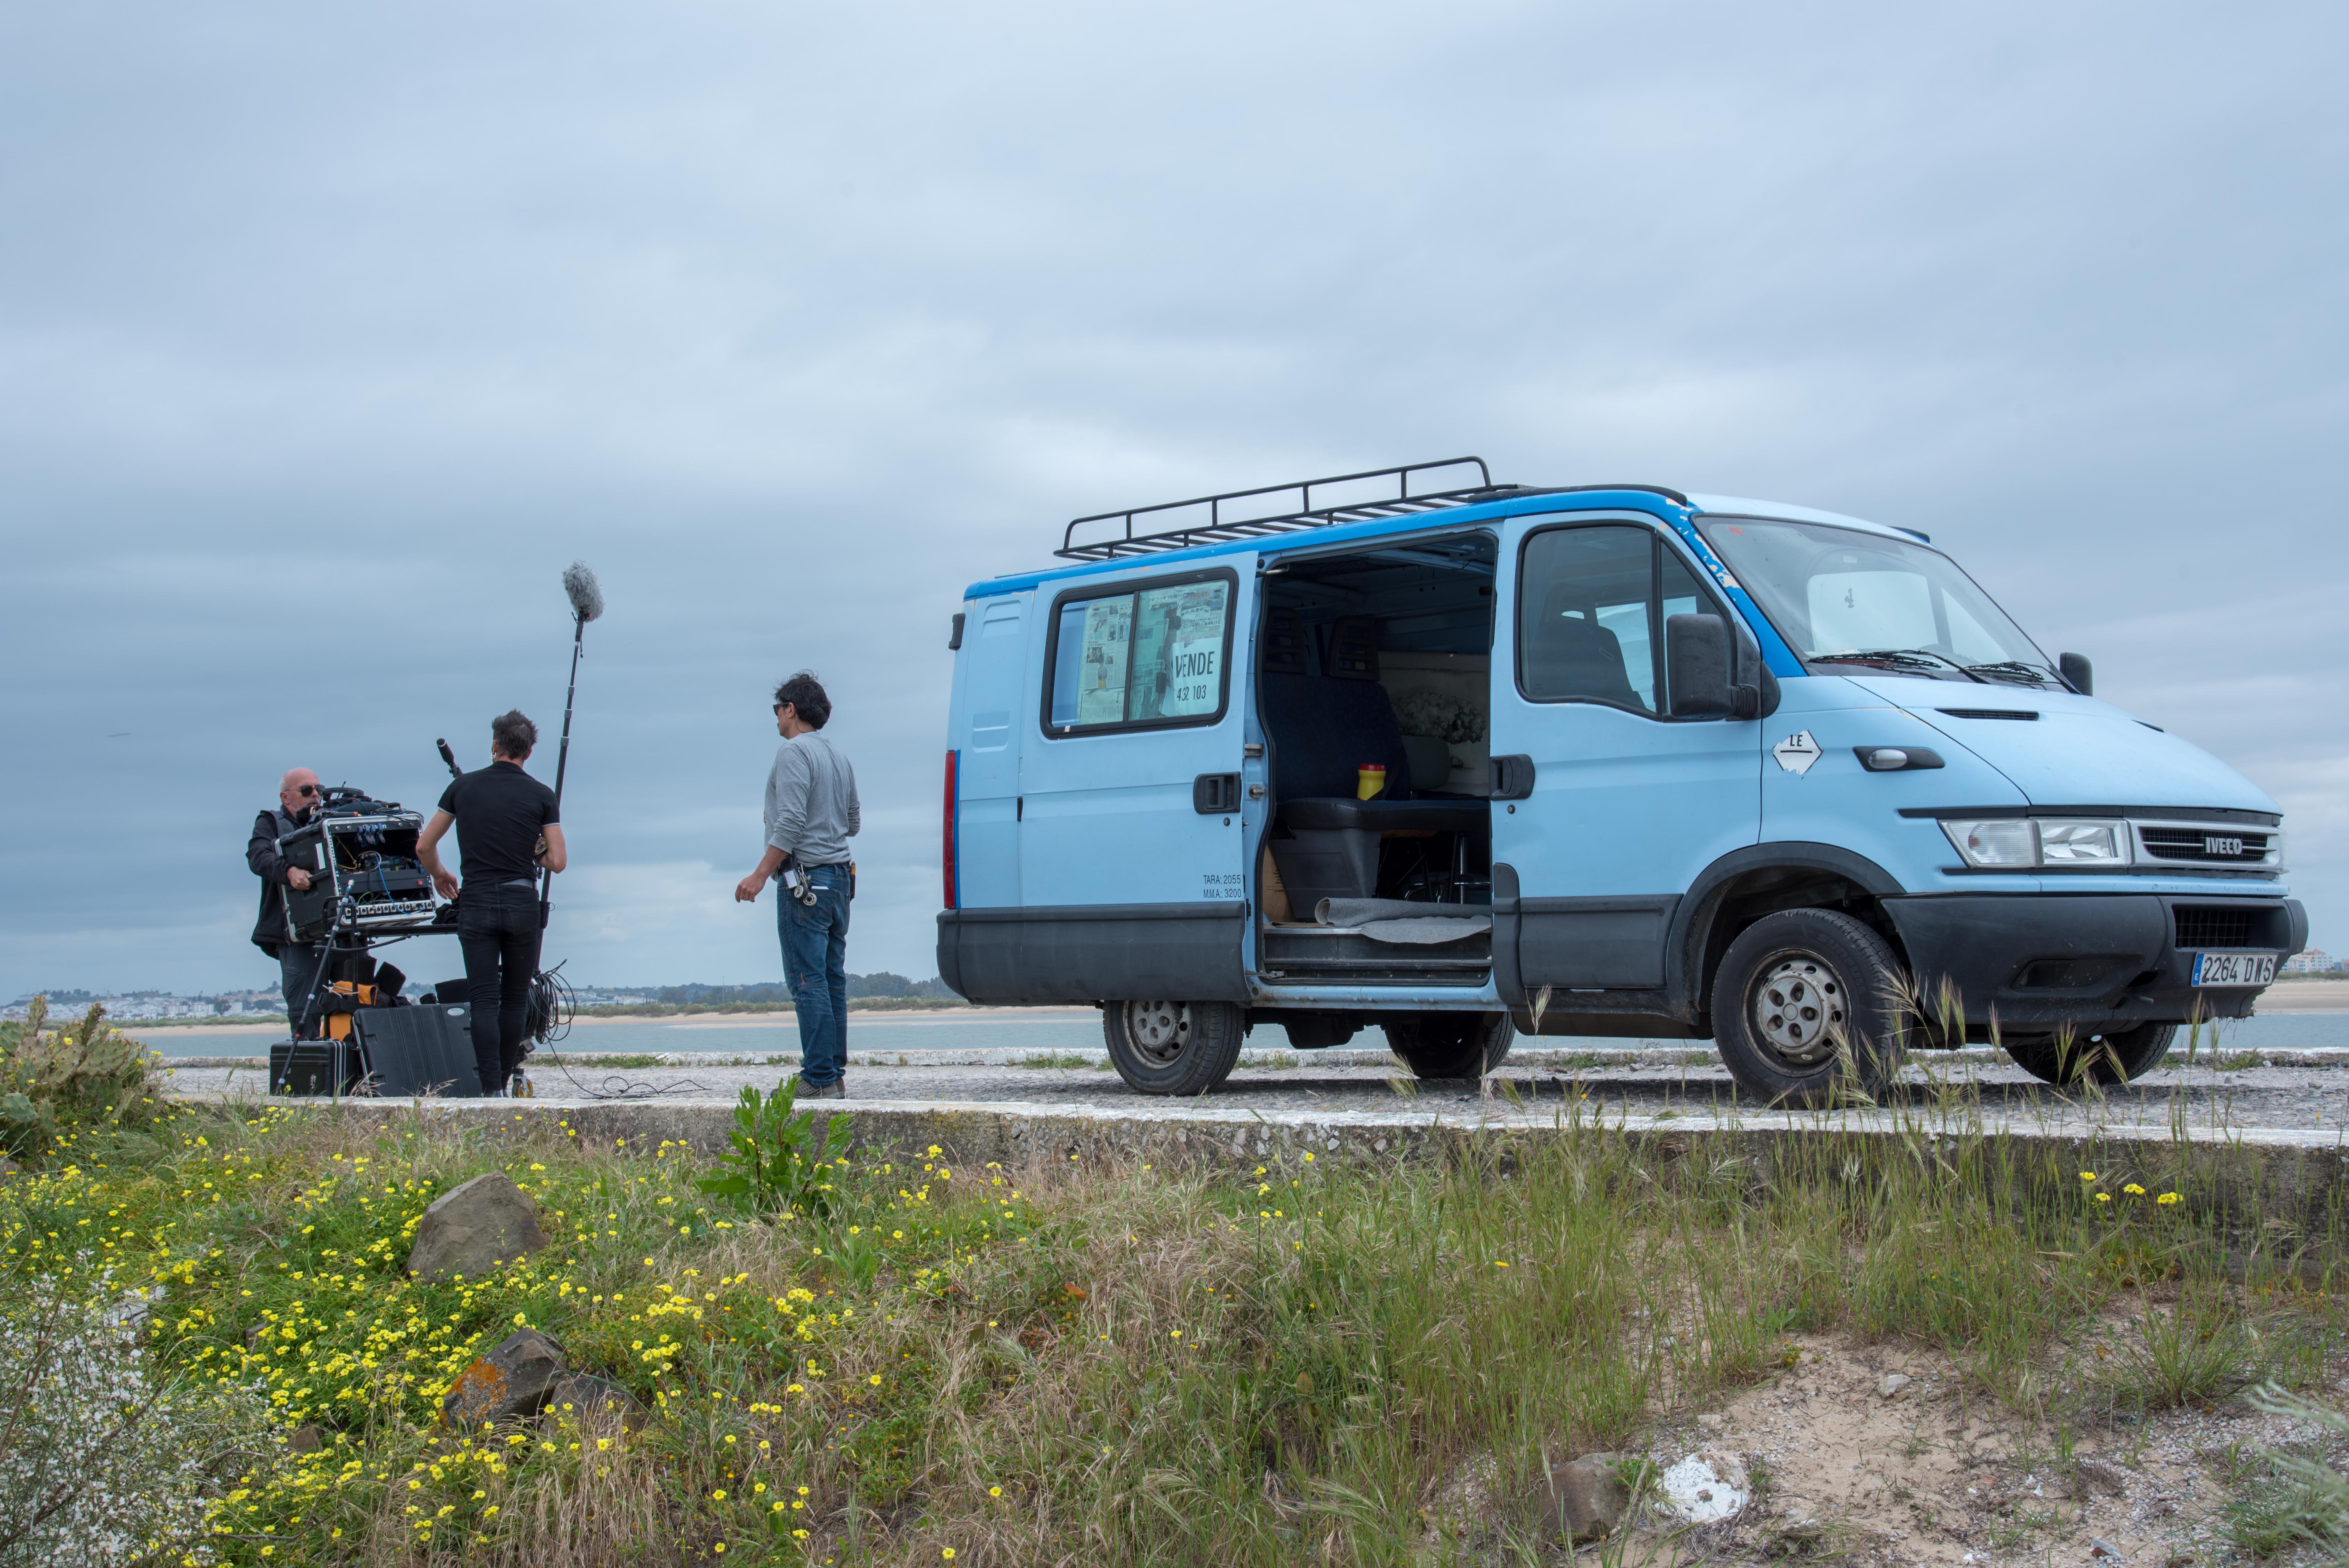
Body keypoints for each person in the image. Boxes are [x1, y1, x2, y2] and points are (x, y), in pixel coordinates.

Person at [417, 710, 566, 1095]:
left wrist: (440, 875)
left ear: (495, 744)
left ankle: (490, 1090)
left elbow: (424, 846)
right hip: (521, 900)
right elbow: (557, 861)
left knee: (483, 999)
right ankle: (503, 1080)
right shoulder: (542, 794)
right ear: (529, 752)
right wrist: (533, 848)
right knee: (514, 999)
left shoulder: (462, 788)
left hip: (478, 899)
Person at [734, 672, 860, 1099]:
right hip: (840, 878)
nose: (775, 717)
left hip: (804, 879)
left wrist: (758, 874)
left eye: (777, 708)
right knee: (832, 979)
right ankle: (834, 1075)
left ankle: (818, 1078)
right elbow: (853, 822)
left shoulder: (793, 752)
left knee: (807, 981)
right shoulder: (838, 756)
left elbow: (790, 823)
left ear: (791, 709)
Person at [247, 766, 326, 1035]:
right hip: (297, 933)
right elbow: (258, 856)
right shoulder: (271, 822)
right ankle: (309, 1056)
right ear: (286, 797)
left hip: (340, 929)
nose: (315, 795)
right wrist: (289, 871)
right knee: (305, 1011)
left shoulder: (330, 820)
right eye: (306, 790)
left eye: (318, 789)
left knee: (355, 1000)